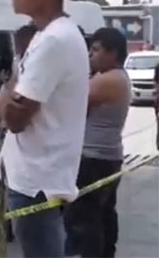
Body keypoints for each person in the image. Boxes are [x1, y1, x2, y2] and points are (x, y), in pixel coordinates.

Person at [0, 0, 89, 258]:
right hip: (34, 178)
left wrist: (4, 97)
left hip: (36, 184)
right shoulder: (47, 35)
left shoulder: (53, 40)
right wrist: (11, 94)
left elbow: (15, 119)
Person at [64, 27, 130, 257]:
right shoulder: (113, 77)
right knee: (102, 214)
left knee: (85, 218)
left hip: (94, 157)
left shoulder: (108, 80)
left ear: (113, 54)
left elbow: (71, 106)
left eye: (95, 50)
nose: (90, 55)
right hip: (106, 156)